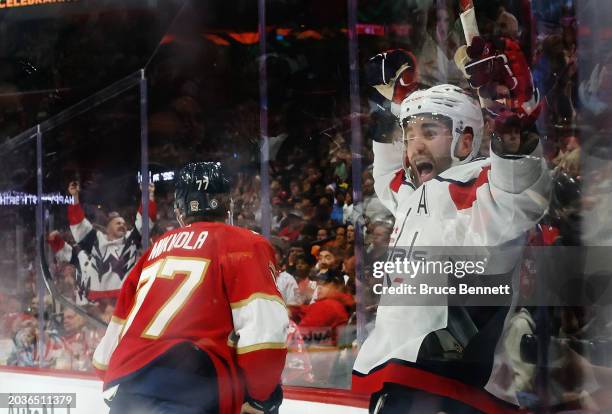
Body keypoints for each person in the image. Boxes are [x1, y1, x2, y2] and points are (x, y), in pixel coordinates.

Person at [352, 81, 550, 413]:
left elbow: (516, 200)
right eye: (409, 135)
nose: (415, 147)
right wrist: (393, 106)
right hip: (407, 369)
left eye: (429, 132)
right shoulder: (414, 192)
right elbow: (386, 176)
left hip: (452, 378)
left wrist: (513, 142)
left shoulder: (479, 183)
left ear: (466, 140)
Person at [93, 162, 289, 414]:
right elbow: (266, 336)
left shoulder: (155, 250)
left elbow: (103, 359)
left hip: (128, 393)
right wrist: (262, 394)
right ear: (227, 205)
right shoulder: (245, 244)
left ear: (179, 211)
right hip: (194, 390)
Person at [57, 181, 158, 301]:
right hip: (98, 303)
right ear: (108, 228)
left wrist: (148, 195)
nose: (122, 225)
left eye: (124, 224)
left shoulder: (130, 240)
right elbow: (78, 225)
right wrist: (74, 197)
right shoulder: (96, 241)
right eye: (118, 223)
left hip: (124, 299)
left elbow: (145, 221)